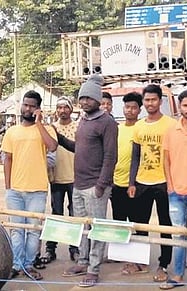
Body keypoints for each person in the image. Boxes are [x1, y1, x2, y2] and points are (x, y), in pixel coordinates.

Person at [59, 74, 118, 288]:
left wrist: (102, 185)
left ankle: (94, 268)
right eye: (81, 98)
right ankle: (83, 261)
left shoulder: (107, 122)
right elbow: (80, 148)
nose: (84, 102)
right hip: (79, 184)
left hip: (96, 186)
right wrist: (60, 139)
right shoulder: (83, 120)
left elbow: (111, 156)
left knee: (97, 228)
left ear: (97, 100)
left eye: (88, 98)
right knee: (81, 228)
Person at [2, 90, 57, 280]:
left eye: (32, 106)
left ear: (38, 109)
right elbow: (7, 159)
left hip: (38, 190)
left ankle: (29, 264)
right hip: (15, 191)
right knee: (17, 230)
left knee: (33, 231)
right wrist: (8, 187)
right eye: (25, 104)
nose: (27, 108)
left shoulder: (46, 129)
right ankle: (17, 265)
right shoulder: (12, 131)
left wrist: (39, 122)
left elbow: (52, 146)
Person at [127, 84, 176, 283]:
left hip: (164, 182)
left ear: (160, 101)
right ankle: (140, 262)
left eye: (153, 100)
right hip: (142, 182)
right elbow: (135, 157)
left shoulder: (171, 125)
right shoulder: (138, 126)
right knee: (140, 224)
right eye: (146, 100)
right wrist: (132, 182)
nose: (150, 103)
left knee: (166, 225)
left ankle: (163, 264)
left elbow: (175, 156)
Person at [160, 89, 187, 289]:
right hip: (175, 192)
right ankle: (177, 276)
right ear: (179, 106)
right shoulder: (171, 131)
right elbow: (165, 160)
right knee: (178, 235)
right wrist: (170, 185)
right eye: (186, 105)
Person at [37, 96, 79, 265]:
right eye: (59, 107)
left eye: (65, 107)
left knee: (74, 215)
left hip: (75, 178)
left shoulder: (78, 127)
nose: (62, 110)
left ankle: (75, 249)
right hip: (56, 178)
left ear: (71, 109)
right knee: (56, 214)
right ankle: (50, 249)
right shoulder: (50, 128)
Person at [110, 92, 146, 275]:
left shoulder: (141, 128)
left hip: (136, 184)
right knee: (119, 220)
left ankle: (140, 261)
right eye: (127, 107)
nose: (130, 110)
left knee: (137, 222)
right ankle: (122, 255)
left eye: (133, 107)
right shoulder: (117, 128)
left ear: (140, 110)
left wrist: (134, 182)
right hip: (116, 183)